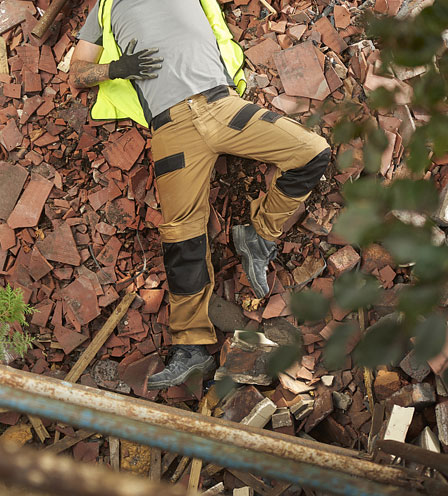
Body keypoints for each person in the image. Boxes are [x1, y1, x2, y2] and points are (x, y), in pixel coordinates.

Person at [69, 0, 331, 389]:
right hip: (171, 127)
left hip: (221, 104)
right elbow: (76, 73)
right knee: (180, 233)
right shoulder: (105, 8)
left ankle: (258, 236)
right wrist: (117, 69)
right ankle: (192, 348)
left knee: (313, 152)